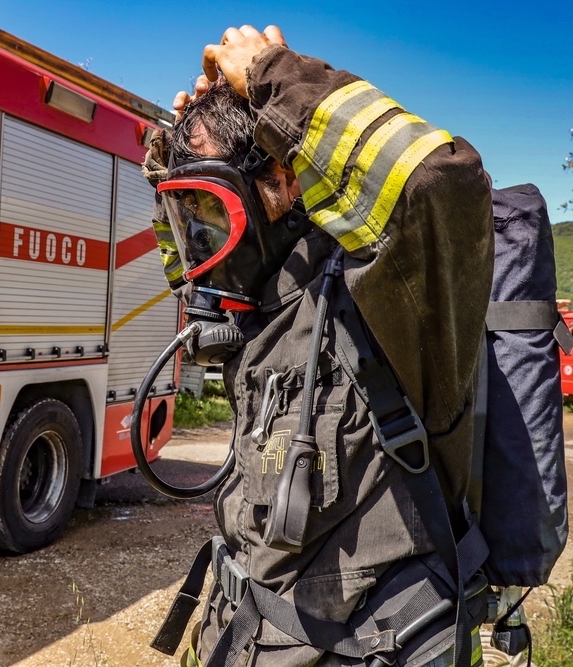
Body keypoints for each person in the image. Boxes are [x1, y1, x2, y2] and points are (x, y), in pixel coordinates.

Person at [149, 26, 494, 666]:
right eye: (183, 211)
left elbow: (442, 182)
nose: (196, 242)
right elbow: (183, 268)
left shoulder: (391, 295)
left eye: (208, 207)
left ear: (281, 181)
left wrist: (275, 76)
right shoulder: (259, 297)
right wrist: (169, 153)